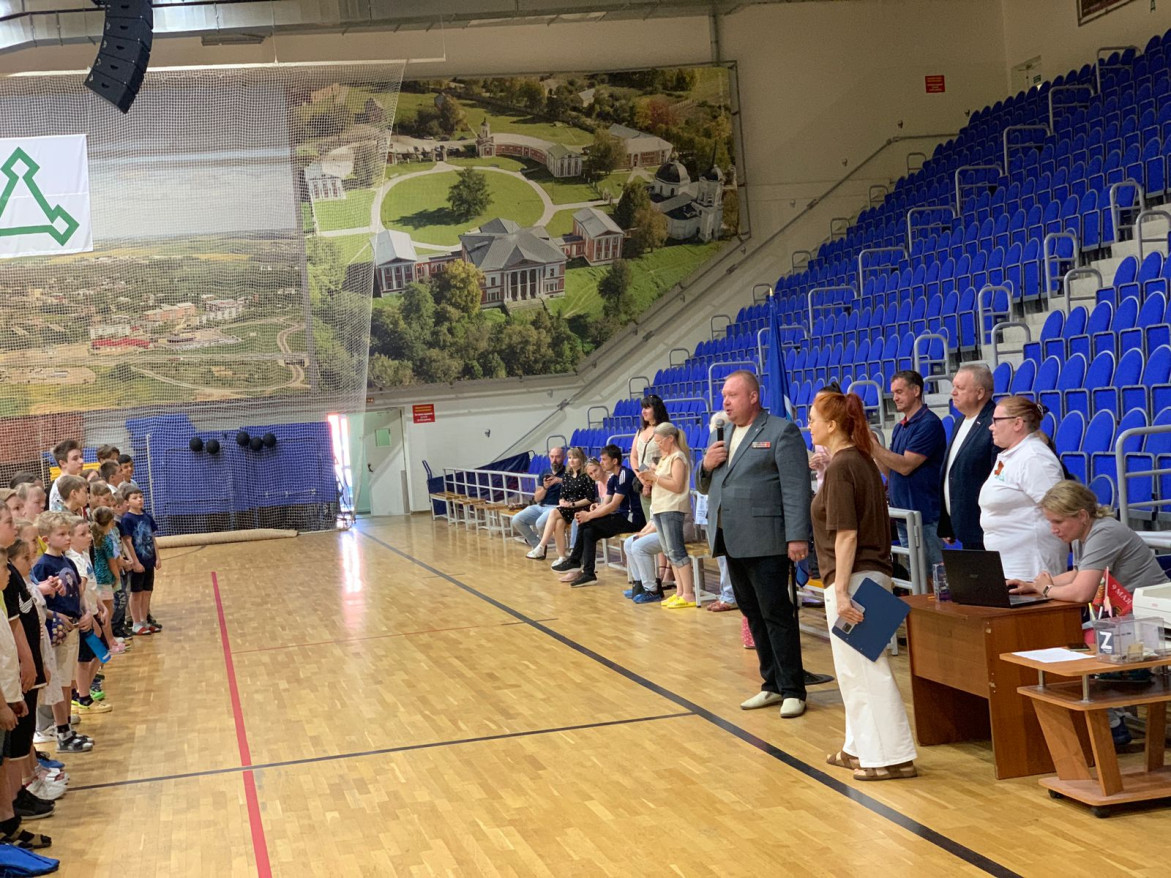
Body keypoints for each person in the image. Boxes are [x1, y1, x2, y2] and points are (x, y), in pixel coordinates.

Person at [1010, 480, 1171, 748]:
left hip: (1147, 619)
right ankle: (1113, 719)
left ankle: (1113, 725)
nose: (1053, 529)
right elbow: (1079, 574)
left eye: (1058, 522)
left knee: (1076, 650)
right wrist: (1031, 585)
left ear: (1082, 515)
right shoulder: (1086, 533)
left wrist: (1046, 588)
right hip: (1124, 617)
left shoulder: (1105, 533)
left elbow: (1081, 592)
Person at [809, 392, 918, 781]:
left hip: (855, 578)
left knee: (866, 669)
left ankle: (889, 757)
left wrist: (841, 590)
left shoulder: (843, 466)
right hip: (871, 575)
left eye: (813, 419)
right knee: (855, 670)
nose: (809, 425)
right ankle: (858, 747)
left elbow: (847, 534)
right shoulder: (860, 460)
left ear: (832, 425)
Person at [697, 370, 812, 719]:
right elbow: (706, 486)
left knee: (776, 614)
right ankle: (771, 684)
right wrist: (705, 465)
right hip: (731, 538)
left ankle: (793, 689)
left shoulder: (781, 431)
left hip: (767, 540)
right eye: (723, 396)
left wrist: (797, 535)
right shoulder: (722, 434)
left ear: (753, 397)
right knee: (752, 614)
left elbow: (795, 488)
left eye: (732, 395)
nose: (725, 402)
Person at [979, 396, 1067, 580]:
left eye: (996, 421)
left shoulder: (1035, 458)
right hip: (1008, 566)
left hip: (1032, 569)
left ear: (1017, 423)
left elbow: (1060, 509)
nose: (991, 427)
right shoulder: (1012, 454)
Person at [872, 371, 946, 572]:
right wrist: (874, 451)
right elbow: (892, 472)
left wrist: (874, 448)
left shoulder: (929, 424)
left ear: (916, 391)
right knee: (917, 575)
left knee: (934, 576)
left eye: (899, 392)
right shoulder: (900, 427)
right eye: (893, 393)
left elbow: (905, 466)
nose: (894, 397)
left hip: (924, 515)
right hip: (904, 515)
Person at [32, 511, 93, 753]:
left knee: (68, 682)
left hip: (73, 627)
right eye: (62, 534)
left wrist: (86, 612)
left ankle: (67, 728)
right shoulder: (43, 565)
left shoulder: (68, 561)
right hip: (57, 632)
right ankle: (62, 732)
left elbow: (78, 592)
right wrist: (55, 616)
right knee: (58, 683)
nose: (68, 538)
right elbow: (38, 601)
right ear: (46, 539)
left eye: (69, 533)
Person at [552, 444, 645, 587]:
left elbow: (613, 505)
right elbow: (605, 503)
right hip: (622, 516)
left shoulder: (624, 474)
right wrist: (591, 512)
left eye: (604, 460)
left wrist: (589, 516)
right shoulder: (613, 479)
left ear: (614, 461)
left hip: (633, 519)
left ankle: (575, 561)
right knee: (589, 531)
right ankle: (588, 573)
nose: (602, 463)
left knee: (587, 523)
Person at [938, 364, 997, 550]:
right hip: (964, 526)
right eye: (953, 387)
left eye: (960, 388)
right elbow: (951, 472)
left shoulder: (995, 423)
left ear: (979, 393)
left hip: (985, 529)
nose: (953, 392)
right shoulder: (959, 422)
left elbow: (996, 476)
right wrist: (947, 520)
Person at [637, 422, 696, 608]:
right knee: (669, 553)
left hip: (672, 507)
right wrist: (651, 476)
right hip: (661, 507)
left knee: (677, 551)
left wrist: (655, 477)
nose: (658, 445)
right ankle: (679, 592)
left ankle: (688, 593)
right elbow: (663, 480)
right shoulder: (665, 458)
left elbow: (677, 486)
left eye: (660, 441)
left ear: (670, 439)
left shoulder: (678, 457)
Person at [528, 447, 593, 564]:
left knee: (554, 512)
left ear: (581, 459)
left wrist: (572, 504)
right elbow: (562, 495)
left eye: (575, 458)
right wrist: (562, 501)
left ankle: (541, 546)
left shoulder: (587, 475)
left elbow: (589, 499)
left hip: (582, 507)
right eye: (570, 458)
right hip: (569, 507)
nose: (571, 460)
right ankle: (562, 557)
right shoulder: (567, 475)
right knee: (558, 523)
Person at [118, 485, 160, 637]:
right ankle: (135, 622)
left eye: (141, 497)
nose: (139, 500)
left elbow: (152, 538)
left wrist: (157, 557)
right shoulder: (127, 519)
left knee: (147, 591)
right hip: (138, 561)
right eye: (135, 498)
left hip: (149, 560)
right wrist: (135, 562)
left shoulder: (147, 516)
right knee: (136, 593)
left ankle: (144, 620)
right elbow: (127, 542)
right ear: (127, 502)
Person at [513, 446, 566, 553]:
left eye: (557, 457)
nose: (554, 460)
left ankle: (541, 546)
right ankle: (538, 545)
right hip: (541, 506)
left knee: (540, 523)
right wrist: (545, 487)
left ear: (563, 457)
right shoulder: (544, 472)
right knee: (516, 520)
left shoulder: (567, 473)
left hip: (556, 507)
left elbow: (573, 485)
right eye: (552, 457)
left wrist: (558, 480)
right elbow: (537, 498)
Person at [630, 394, 669, 526]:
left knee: (661, 524)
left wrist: (650, 481)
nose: (643, 411)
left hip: (660, 481)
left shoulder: (665, 430)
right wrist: (642, 479)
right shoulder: (640, 431)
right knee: (650, 522)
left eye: (647, 408)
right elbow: (634, 457)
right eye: (643, 408)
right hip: (643, 482)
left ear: (656, 409)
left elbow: (667, 457)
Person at [47, 440, 85, 512]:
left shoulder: (78, 481)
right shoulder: (59, 487)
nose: (81, 461)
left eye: (81, 456)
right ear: (62, 463)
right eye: (75, 458)